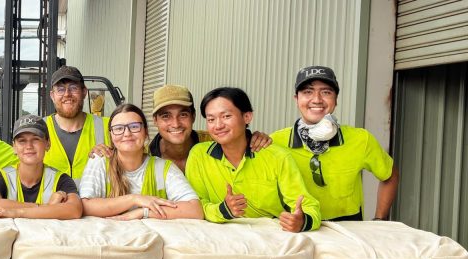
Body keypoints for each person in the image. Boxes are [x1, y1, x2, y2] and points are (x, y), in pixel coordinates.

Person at [270, 65, 399, 221]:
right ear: (296, 99)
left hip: (346, 231)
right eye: (308, 92)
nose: (317, 99)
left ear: (336, 99)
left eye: (326, 92)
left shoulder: (361, 139)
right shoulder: (274, 142)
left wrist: (380, 219)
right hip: (296, 230)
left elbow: (390, 175)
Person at [185, 87, 322, 232]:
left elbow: (307, 205)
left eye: (226, 116)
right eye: (211, 119)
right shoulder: (199, 155)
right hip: (217, 234)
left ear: (247, 117)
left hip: (269, 234)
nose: (218, 125)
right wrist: (223, 210)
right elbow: (195, 205)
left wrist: (302, 221)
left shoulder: (277, 156)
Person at [92, 84, 272, 173]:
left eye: (183, 114)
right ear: (155, 121)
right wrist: (102, 151)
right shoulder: (142, 154)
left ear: (193, 116)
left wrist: (252, 137)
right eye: (166, 116)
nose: (176, 123)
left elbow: (236, 137)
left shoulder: (213, 141)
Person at [79, 103, 203, 220]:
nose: (127, 133)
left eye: (134, 127)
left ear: (146, 132)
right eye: (118, 128)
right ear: (111, 134)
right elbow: (85, 206)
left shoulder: (163, 168)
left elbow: (195, 210)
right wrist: (134, 199)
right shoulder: (99, 161)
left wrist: (144, 212)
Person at [0, 114, 82, 219]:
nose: (29, 146)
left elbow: (74, 210)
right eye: (22, 141)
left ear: (48, 144)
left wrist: (18, 213)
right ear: (14, 147)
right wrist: (47, 207)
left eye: (35, 139)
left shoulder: (61, 179)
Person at [42, 65, 110, 183]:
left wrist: (112, 155)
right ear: (52, 96)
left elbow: (134, 158)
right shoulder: (39, 129)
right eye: (60, 89)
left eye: (73, 88)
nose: (67, 94)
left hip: (98, 196)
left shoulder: (109, 127)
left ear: (84, 92)